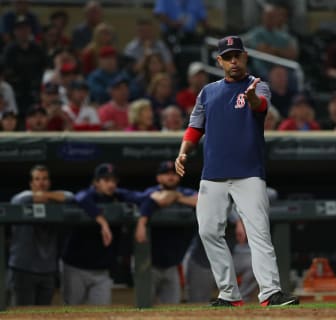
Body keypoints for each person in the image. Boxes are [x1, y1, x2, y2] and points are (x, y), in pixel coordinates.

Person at [174, 35, 299, 307]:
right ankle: (229, 294)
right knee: (208, 231)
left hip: (249, 172)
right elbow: (195, 126)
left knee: (258, 232)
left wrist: (252, 97)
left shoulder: (258, 85)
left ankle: (270, 292)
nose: (233, 61)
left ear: (245, 58)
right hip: (213, 173)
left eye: (237, 56)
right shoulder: (207, 92)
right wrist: (183, 151)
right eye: (227, 57)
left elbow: (261, 107)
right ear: (219, 61)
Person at [61, 163, 145, 305]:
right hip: (76, 268)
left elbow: (143, 197)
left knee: (102, 313)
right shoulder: (89, 195)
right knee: (71, 312)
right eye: (106, 180)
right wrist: (102, 222)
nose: (111, 184)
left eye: (113, 181)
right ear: (96, 182)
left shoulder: (119, 195)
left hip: (102, 271)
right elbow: (80, 197)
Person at [8, 165, 74, 306]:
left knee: (42, 315)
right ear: (31, 183)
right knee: (23, 316)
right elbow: (19, 199)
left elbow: (70, 196)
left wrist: (46, 196)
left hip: (47, 270)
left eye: (44, 179)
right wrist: (46, 196)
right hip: (23, 269)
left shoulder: (54, 201)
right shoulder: (22, 198)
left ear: (49, 182)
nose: (41, 182)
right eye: (37, 179)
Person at [135, 160, 198, 304]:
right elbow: (154, 199)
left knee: (172, 308)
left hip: (172, 265)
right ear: (158, 178)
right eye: (166, 174)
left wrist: (177, 197)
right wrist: (172, 197)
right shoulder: (151, 192)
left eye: (174, 174)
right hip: (149, 263)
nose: (171, 177)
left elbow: (202, 201)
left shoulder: (184, 192)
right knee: (144, 306)